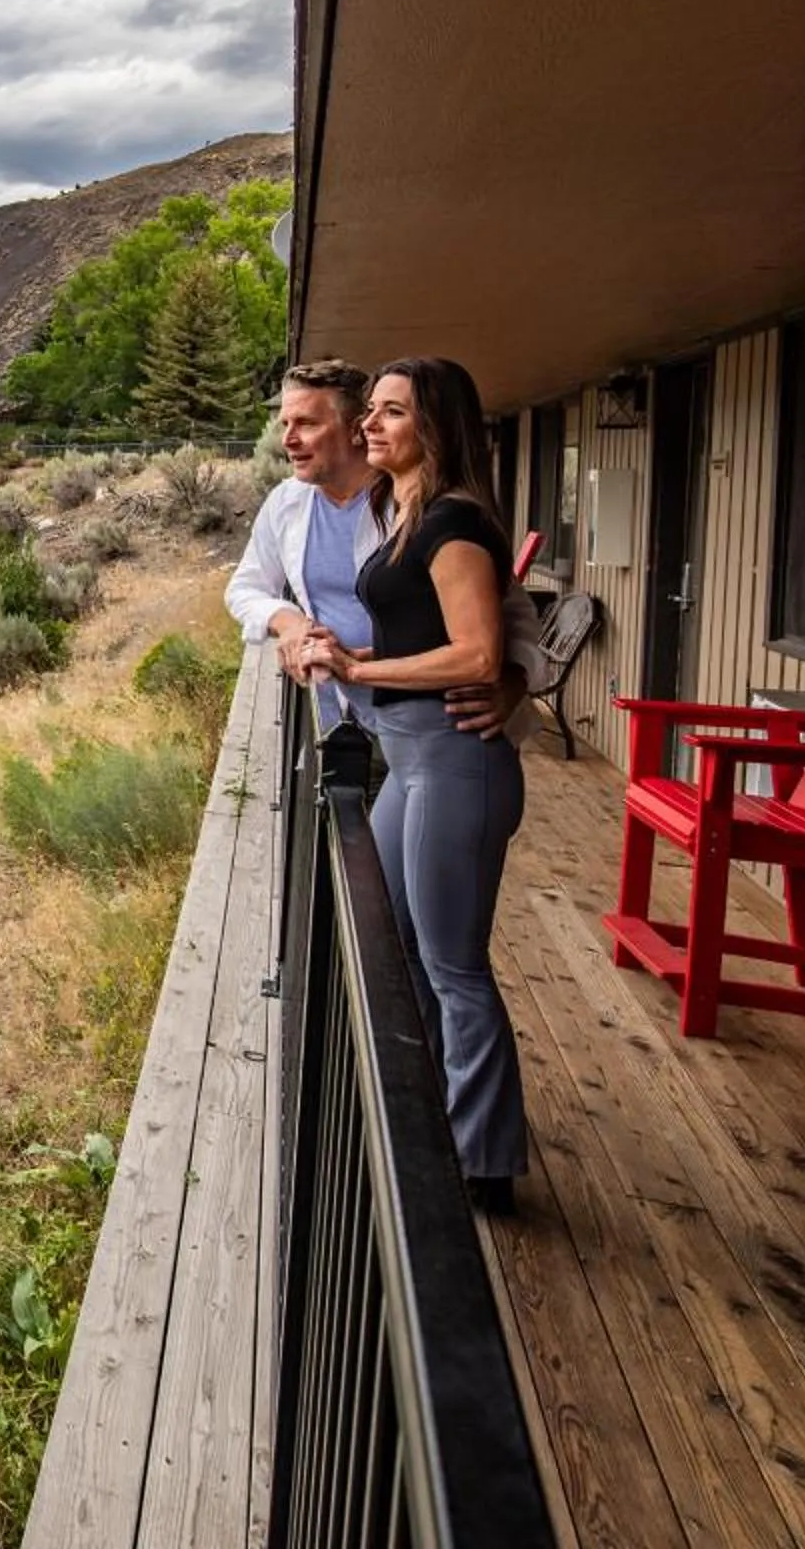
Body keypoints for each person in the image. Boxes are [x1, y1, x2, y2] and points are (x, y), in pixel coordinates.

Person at [302, 357, 529, 1212]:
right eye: (371, 411)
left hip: (453, 764)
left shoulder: (455, 525)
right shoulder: (407, 514)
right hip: (411, 759)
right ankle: (434, 1118)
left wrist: (362, 664)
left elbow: (478, 653)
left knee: (453, 967)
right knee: (395, 944)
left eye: (391, 413)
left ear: (433, 425)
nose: (372, 425)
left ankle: (484, 1165)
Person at [226, 359, 551, 741]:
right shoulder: (286, 503)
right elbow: (244, 588)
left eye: (307, 424)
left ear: (354, 430)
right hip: (342, 723)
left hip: (443, 724)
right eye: (286, 425)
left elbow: (512, 616)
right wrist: (289, 621)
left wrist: (514, 679)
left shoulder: (422, 506)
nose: (288, 439)